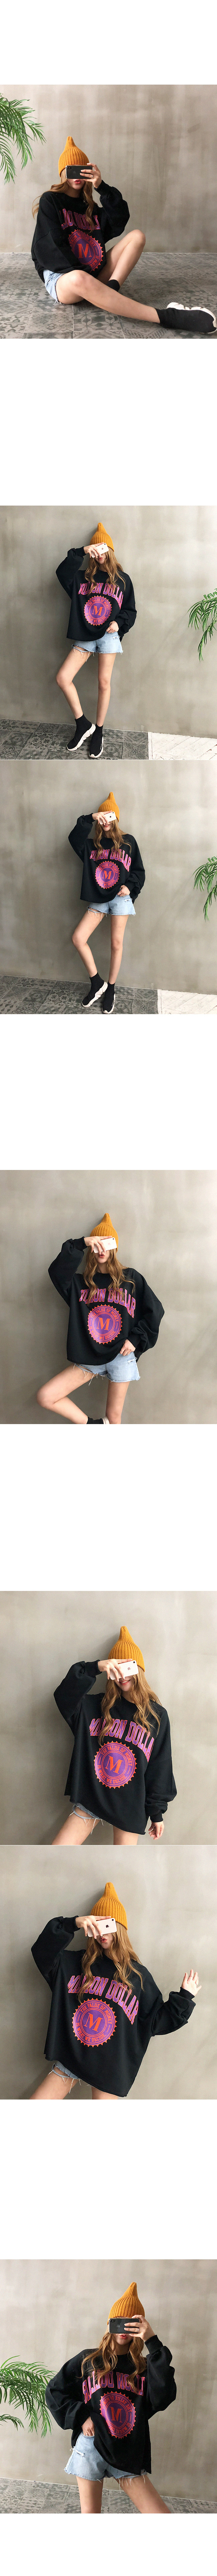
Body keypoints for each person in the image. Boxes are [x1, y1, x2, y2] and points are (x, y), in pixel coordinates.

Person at [31, 1875, 200, 2101]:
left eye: (108, 1926)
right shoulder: (74, 1964)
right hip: (72, 2058)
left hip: (109, 2067)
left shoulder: (137, 1976)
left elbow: (155, 2021)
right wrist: (74, 1923)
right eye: (97, 1926)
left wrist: (185, 1997)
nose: (102, 1933)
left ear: (119, 1927)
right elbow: (42, 1951)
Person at [31, 132, 217, 334]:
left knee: (137, 236)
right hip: (64, 280)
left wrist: (101, 186)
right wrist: (85, 275)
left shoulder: (90, 208)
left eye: (82, 169)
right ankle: (168, 317)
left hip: (93, 274)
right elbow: (49, 245)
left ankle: (110, 292)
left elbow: (120, 218)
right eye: (71, 170)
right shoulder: (51, 200)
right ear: (63, 173)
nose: (77, 175)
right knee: (78, 278)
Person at [45, 2276, 176, 2514]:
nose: (124, 2328)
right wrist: (81, 2417)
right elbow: (55, 2390)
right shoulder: (89, 2359)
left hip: (128, 2450)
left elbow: (163, 2397)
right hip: (91, 2445)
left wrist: (152, 2341)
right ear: (110, 2323)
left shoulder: (144, 2367)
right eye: (119, 2321)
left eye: (132, 2323)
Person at [51, 1621, 177, 1848]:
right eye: (116, 1669)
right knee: (56, 1853)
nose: (122, 1676)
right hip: (92, 1797)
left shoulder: (156, 1716)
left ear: (138, 1669)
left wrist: (157, 1813)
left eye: (127, 1667)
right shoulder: (93, 1707)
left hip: (130, 1805)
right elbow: (63, 1696)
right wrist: (95, 1667)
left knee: (124, 1861)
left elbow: (160, 1768)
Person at [37, 1208, 164, 1427]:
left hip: (121, 1356)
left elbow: (155, 1310)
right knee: (46, 1397)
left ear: (114, 1247)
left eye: (107, 1243)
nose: (102, 1249)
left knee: (114, 1420)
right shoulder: (79, 1283)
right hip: (90, 1356)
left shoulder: (131, 1279)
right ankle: (93, 1427)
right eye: (97, 1244)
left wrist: (135, 1339)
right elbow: (57, 1272)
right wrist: (83, 1242)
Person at [55, 520, 136, 762]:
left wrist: (119, 624)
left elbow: (130, 610)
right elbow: (61, 573)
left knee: (104, 683)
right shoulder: (82, 578)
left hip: (108, 637)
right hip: (85, 636)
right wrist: (82, 551)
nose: (100, 554)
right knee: (63, 678)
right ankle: (83, 724)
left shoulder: (123, 580)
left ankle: (99, 731)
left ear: (110, 550)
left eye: (103, 548)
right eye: (96, 549)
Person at [69, 790, 145, 1015]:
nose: (105, 821)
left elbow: (139, 870)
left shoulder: (129, 842)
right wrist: (91, 817)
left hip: (120, 899)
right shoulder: (91, 845)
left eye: (110, 816)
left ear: (116, 818)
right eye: (102, 817)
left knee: (116, 945)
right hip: (99, 899)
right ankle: (97, 983)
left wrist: (129, 886)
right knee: (78, 938)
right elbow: (73, 839)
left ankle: (111, 989)